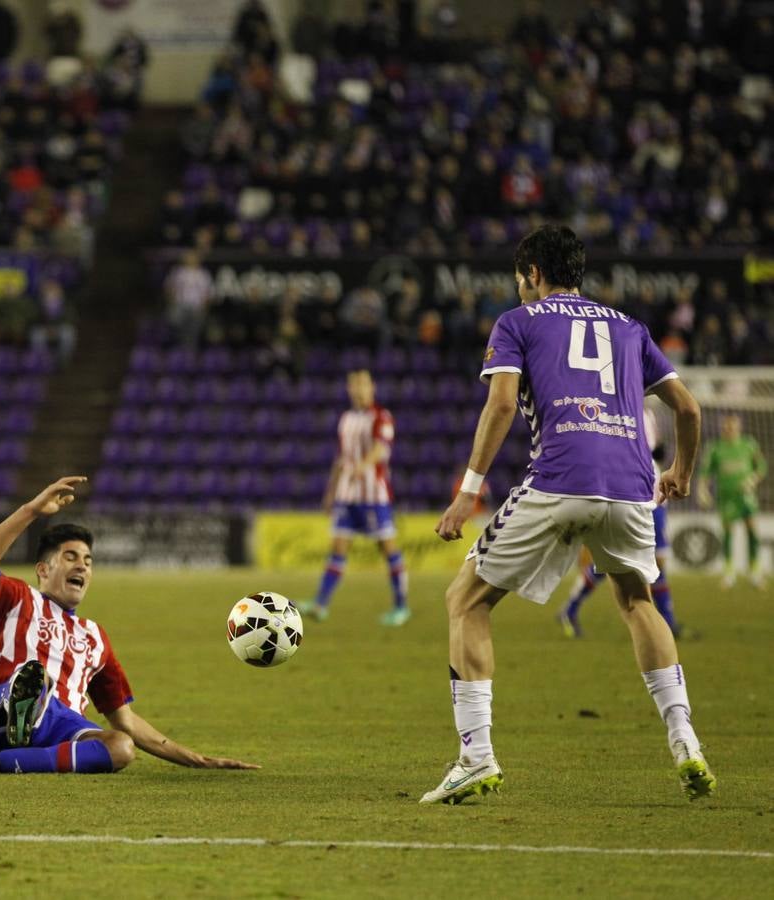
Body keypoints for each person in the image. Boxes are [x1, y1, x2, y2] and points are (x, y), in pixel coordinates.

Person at [425, 224, 714, 805]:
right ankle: (685, 738)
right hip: (632, 488)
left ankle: (476, 756)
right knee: (636, 601)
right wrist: (680, 473)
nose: (519, 288)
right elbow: (687, 406)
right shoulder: (631, 328)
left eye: (520, 279)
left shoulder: (518, 322)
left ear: (533, 274)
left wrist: (468, 491)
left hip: (560, 478)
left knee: (466, 600)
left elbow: (503, 402)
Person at [0, 476, 258, 775]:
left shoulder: (95, 638)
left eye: (88, 561)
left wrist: (197, 759)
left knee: (120, 747)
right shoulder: (20, 599)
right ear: (43, 570)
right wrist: (32, 510)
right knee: (35, 675)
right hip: (14, 699)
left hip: (65, 726)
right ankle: (17, 720)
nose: (83, 567)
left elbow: (125, 720)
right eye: (71, 557)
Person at [556, 405, 688, 638]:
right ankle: (571, 608)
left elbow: (651, 448)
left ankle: (669, 623)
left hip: (654, 490)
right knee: (614, 560)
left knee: (650, 562)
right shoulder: (615, 408)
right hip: (629, 491)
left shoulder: (647, 412)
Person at [299, 369, 410, 626]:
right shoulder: (346, 418)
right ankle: (320, 605)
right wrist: (330, 491)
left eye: (363, 384)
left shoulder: (381, 417)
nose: (359, 389)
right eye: (354, 385)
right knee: (337, 549)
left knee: (388, 549)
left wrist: (364, 465)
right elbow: (340, 458)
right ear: (349, 389)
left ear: (372, 387)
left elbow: (383, 448)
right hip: (346, 496)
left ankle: (401, 606)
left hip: (374, 496)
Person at [697, 414, 767, 587]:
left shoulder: (748, 444)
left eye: (733, 427)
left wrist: (752, 479)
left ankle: (755, 571)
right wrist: (702, 490)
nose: (729, 430)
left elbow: (761, 467)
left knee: (752, 529)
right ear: (723, 428)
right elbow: (705, 472)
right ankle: (729, 572)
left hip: (746, 495)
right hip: (726, 495)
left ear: (738, 428)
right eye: (727, 427)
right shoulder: (715, 447)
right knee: (728, 532)